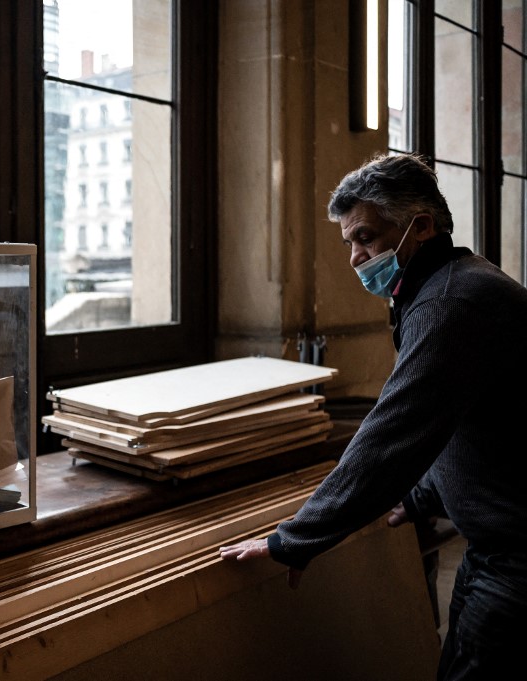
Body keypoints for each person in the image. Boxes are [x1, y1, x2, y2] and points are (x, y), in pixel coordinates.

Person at [218, 152, 527, 680]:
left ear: (421, 226)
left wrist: (292, 539)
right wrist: (420, 496)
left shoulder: (448, 303)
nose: (356, 257)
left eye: (365, 237)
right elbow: (467, 424)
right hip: (497, 540)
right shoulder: (450, 286)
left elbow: (394, 433)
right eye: (349, 244)